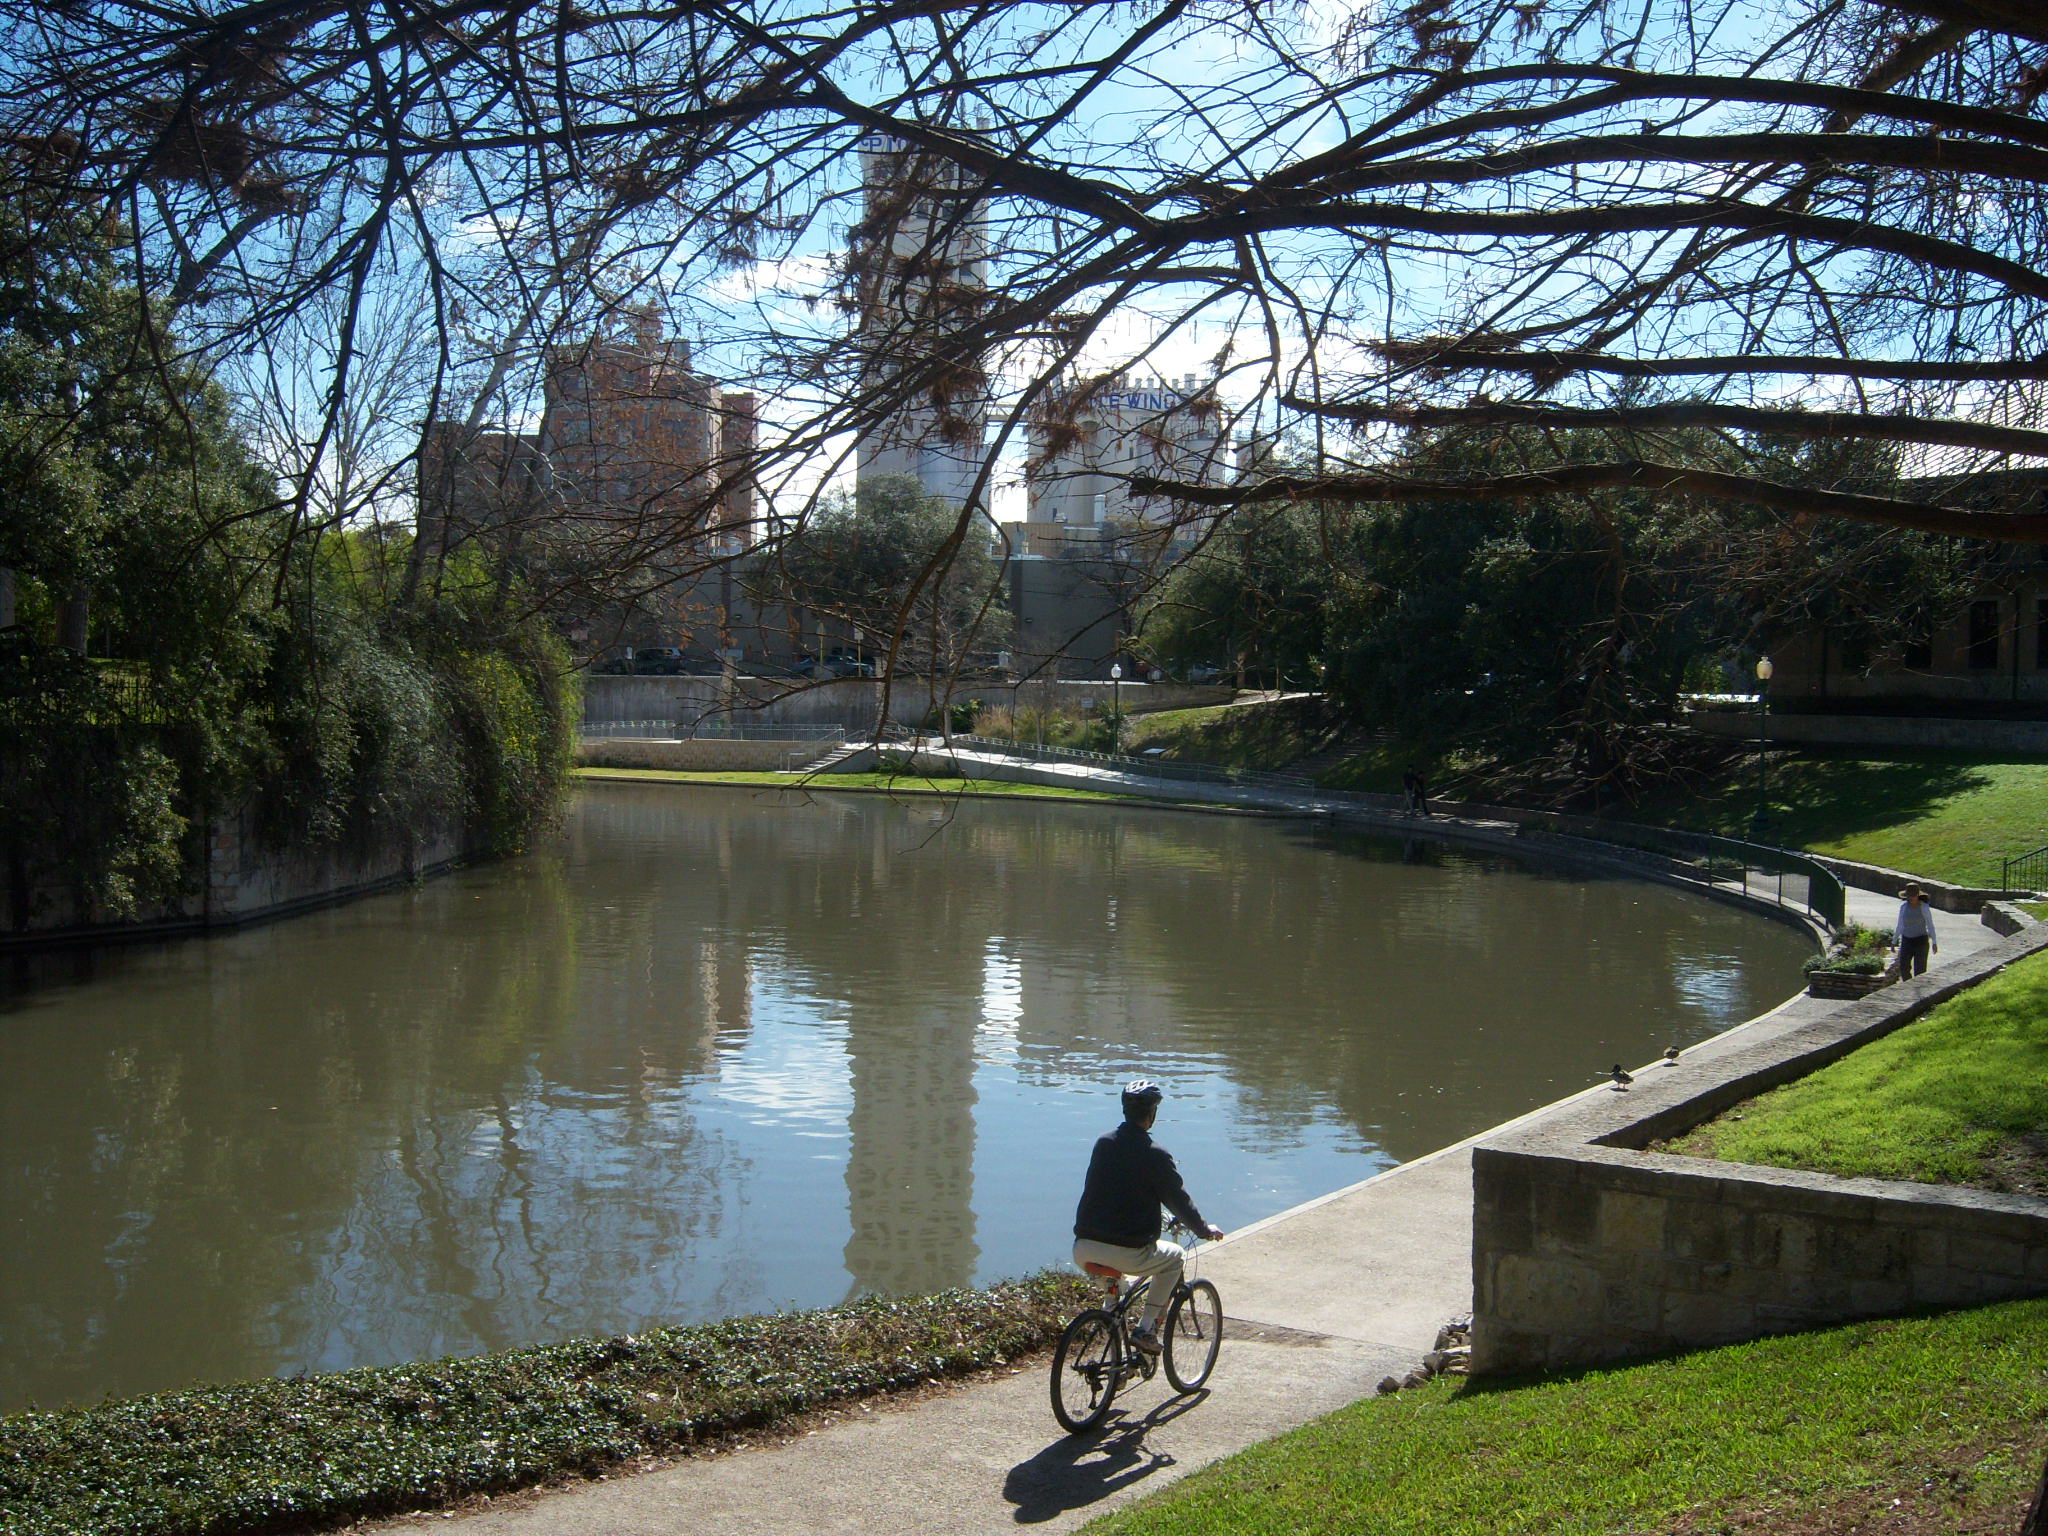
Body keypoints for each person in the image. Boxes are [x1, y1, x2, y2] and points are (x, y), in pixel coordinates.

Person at [1072, 1079, 1225, 1355]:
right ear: (1152, 1113)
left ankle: (1113, 1344)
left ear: (1124, 1110)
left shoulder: (1103, 1144)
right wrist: (1203, 1230)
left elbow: (1116, 1188)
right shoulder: (1156, 1154)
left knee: (1117, 1293)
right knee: (1175, 1257)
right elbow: (1179, 1201)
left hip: (1083, 1247)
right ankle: (1146, 1329)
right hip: (1127, 1252)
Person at [1895, 884, 1938, 979]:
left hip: (1921, 941)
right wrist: (1894, 941)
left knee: (1920, 971)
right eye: (1910, 896)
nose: (1912, 898)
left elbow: (1930, 925)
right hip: (1907, 940)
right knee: (1904, 968)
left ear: (1917, 895)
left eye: (1913, 895)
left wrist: (1934, 942)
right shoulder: (1904, 907)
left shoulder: (1924, 907)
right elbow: (1900, 924)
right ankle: (1908, 987)